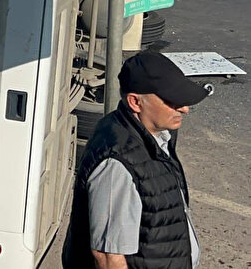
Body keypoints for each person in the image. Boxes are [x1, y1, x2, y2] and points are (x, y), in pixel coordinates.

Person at [62, 50, 209, 269]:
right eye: (172, 101)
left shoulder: (154, 136)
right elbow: (109, 257)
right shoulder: (117, 163)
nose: (185, 109)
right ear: (135, 102)